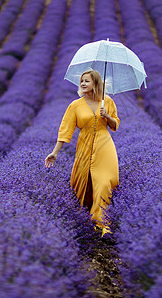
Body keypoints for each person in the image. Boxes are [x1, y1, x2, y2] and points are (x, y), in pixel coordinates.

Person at [44, 69, 120, 237]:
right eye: (82, 81)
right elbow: (65, 130)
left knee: (103, 182)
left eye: (87, 81)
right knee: (83, 183)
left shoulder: (107, 101)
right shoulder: (75, 105)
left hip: (105, 147)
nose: (83, 84)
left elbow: (115, 125)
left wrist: (107, 115)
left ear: (96, 83)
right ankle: (84, 220)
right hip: (84, 147)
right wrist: (55, 153)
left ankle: (102, 224)